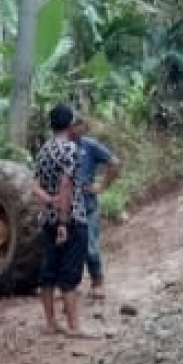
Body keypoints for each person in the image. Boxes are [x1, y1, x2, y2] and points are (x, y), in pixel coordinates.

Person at [33, 104, 95, 338]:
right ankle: (74, 327)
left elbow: (33, 185)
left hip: (48, 218)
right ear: (69, 125)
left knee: (48, 272)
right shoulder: (70, 149)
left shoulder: (44, 150)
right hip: (70, 218)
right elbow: (66, 185)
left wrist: (49, 201)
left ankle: (51, 324)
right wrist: (63, 221)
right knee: (70, 274)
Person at [73, 116, 121, 300]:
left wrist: (101, 185)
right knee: (69, 247)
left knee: (89, 245)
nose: (77, 128)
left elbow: (114, 162)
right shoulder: (61, 147)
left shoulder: (89, 145)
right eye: (74, 125)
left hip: (88, 205)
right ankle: (69, 285)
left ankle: (98, 282)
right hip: (67, 206)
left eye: (80, 124)